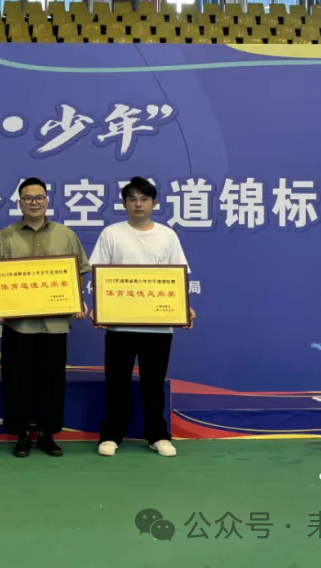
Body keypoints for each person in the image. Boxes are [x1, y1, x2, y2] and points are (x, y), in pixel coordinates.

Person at [89, 177, 195, 458]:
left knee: (154, 384)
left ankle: (157, 435)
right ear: (124, 204)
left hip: (158, 326)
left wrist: (184, 307)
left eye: (144, 199)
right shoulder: (111, 234)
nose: (138, 204)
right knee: (117, 382)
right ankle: (111, 435)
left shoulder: (167, 235)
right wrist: (98, 308)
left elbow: (178, 277)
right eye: (132, 199)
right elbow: (99, 275)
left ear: (154, 203)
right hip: (119, 325)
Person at [0, 177, 90, 457]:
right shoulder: (5, 236)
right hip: (18, 325)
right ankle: (21, 434)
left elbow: (79, 271)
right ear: (20, 203)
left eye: (39, 198)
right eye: (28, 198)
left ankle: (47, 434)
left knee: (52, 382)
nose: (34, 203)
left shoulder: (65, 234)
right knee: (16, 381)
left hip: (55, 325)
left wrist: (76, 300)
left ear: (47, 201)